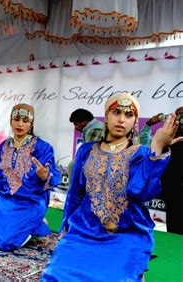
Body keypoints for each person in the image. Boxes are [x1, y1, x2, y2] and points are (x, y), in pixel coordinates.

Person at [42, 93, 181, 281]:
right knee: (56, 274)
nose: (122, 119)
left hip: (126, 232)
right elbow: (75, 194)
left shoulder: (141, 153)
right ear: (106, 116)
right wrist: (65, 227)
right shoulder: (86, 150)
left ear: (135, 121)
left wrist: (157, 146)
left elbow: (141, 192)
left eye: (129, 115)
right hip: (85, 229)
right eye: (116, 112)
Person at [0, 104, 61, 251]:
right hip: (5, 202)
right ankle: (33, 227)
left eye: (25, 120)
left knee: (3, 244)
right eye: (16, 119)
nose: (20, 124)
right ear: (10, 121)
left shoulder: (43, 147)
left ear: (31, 123)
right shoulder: (4, 146)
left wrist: (46, 175)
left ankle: (32, 226)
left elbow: (55, 176)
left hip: (30, 203)